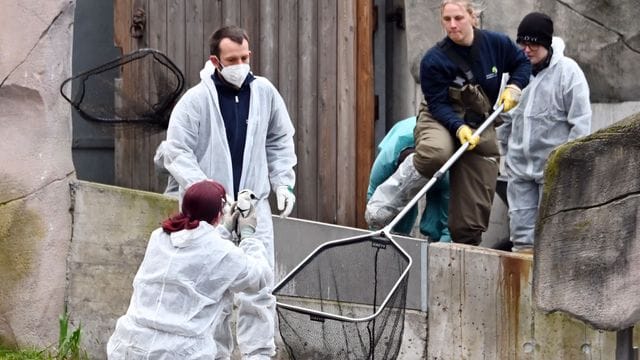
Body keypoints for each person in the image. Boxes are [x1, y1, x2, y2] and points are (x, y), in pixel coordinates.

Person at [156, 25, 297, 359]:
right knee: (211, 289)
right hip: (210, 212)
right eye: (232, 59)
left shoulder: (264, 92)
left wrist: (283, 181)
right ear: (215, 61)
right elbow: (176, 152)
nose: (241, 64)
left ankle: (258, 355)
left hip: (252, 204)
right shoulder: (195, 101)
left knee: (259, 288)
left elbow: (279, 139)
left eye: (245, 57)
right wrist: (209, 192)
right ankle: (214, 355)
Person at [107, 180, 271, 359]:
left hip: (129, 344)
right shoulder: (222, 253)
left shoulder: (159, 236)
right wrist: (248, 237)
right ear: (218, 214)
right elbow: (260, 277)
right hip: (180, 352)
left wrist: (223, 230)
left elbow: (197, 247)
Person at [497, 12, 591, 253]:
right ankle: (525, 286)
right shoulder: (513, 72)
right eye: (522, 43)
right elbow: (505, 117)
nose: (527, 50)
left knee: (553, 234)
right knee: (521, 237)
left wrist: (567, 161)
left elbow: (581, 121)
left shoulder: (568, 72)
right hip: (519, 169)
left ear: (547, 44)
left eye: (533, 44)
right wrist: (503, 152)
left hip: (553, 169)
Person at [366, 116, 451, 241]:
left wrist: (443, 246)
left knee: (437, 220)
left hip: (435, 151)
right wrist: (376, 236)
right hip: (403, 136)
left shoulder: (444, 171)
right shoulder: (385, 162)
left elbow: (447, 214)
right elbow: (374, 199)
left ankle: (432, 242)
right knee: (401, 202)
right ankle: (400, 238)